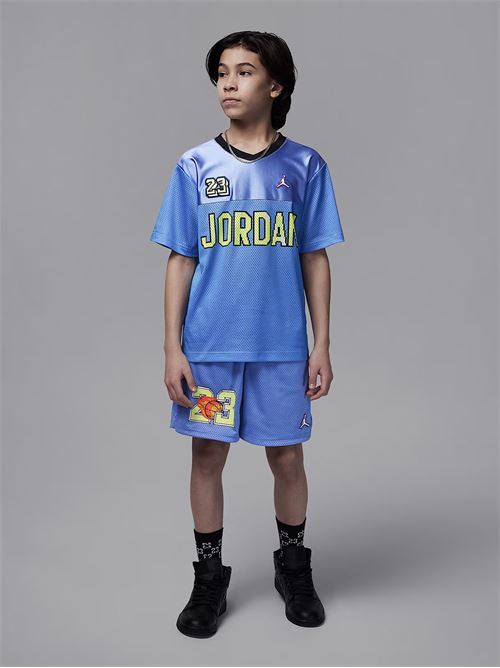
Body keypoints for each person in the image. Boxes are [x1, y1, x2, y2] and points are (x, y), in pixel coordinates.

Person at [149, 31, 345, 638]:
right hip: (210, 350)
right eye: (221, 73)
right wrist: (173, 348)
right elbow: (180, 258)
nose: (228, 83)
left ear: (275, 85)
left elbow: (314, 256)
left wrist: (320, 343)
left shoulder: (304, 166)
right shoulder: (195, 166)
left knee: (286, 455)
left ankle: (293, 566)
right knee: (208, 454)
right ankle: (209, 577)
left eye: (244, 71)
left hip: (280, 350)